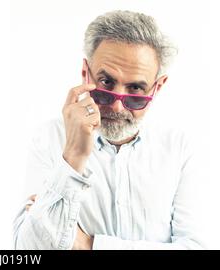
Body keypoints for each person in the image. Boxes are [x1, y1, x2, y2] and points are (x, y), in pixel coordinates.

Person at [13, 10, 208, 249]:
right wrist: (72, 157)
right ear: (86, 73)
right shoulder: (49, 139)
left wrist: (90, 245)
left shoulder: (180, 149)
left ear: (157, 87)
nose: (116, 106)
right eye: (106, 83)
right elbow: (26, 250)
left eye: (136, 88)